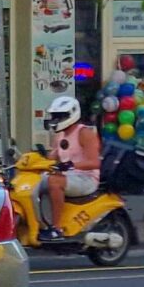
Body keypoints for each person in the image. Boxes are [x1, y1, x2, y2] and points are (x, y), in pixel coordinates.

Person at [40, 96, 102, 241]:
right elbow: (52, 156)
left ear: (72, 114)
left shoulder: (85, 133)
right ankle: (38, 222)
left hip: (86, 178)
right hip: (68, 176)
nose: (57, 120)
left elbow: (95, 162)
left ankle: (56, 228)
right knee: (33, 182)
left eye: (61, 116)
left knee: (54, 182)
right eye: (55, 116)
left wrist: (71, 165)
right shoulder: (60, 135)